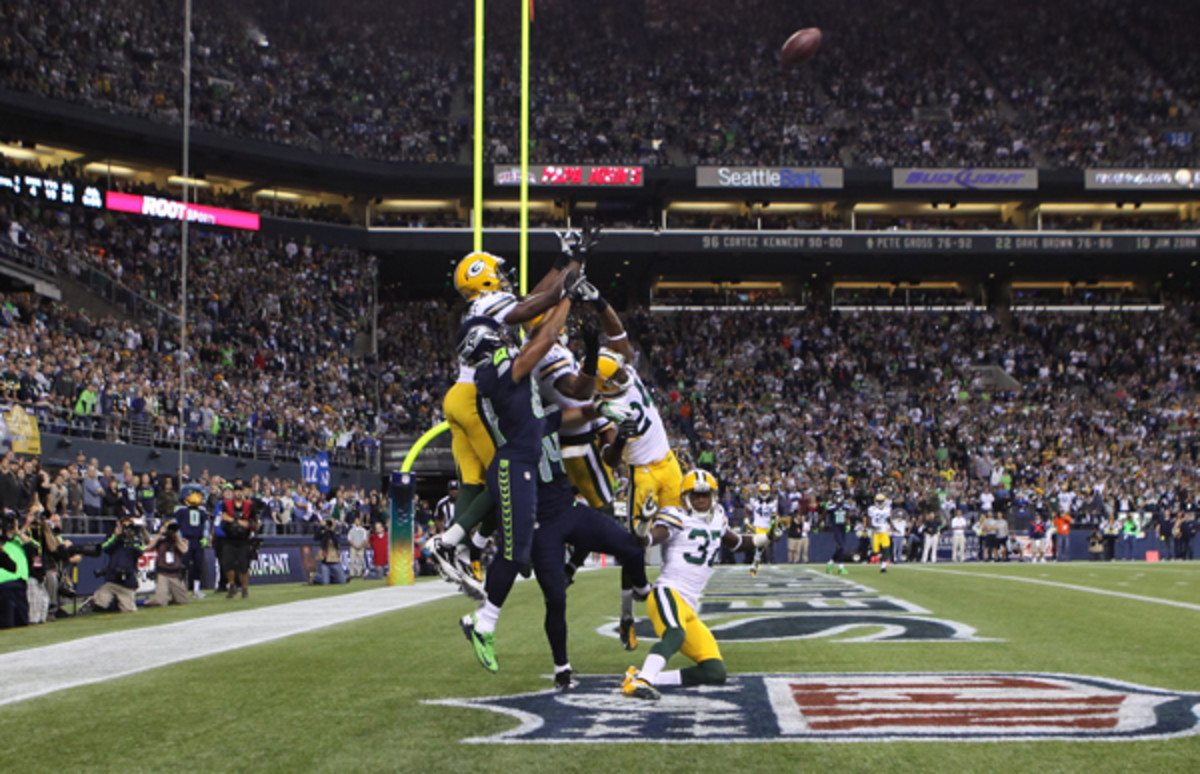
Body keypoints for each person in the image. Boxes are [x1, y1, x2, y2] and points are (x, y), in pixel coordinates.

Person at [430, 229, 592, 597]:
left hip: (459, 395)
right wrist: (571, 280)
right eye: (497, 273)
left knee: (474, 483)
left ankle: (461, 550)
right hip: (478, 399)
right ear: (482, 278)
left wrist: (563, 262)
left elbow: (531, 299)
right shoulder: (489, 303)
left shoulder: (481, 306)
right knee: (510, 472)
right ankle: (463, 542)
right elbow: (532, 307)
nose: (504, 279)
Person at [453, 288, 593, 674]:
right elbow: (544, 338)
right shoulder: (497, 369)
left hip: (522, 462)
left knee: (520, 551)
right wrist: (568, 297)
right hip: (514, 466)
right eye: (495, 333)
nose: (504, 335)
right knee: (515, 553)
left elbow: (545, 421)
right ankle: (483, 622)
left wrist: (594, 410)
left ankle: (482, 620)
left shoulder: (503, 375)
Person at [621, 469, 780, 700]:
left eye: (705, 495)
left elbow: (737, 543)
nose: (701, 500)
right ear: (686, 496)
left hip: (688, 605)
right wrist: (644, 522)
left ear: (713, 496)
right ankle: (641, 682)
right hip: (668, 593)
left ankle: (642, 676)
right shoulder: (675, 516)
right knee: (674, 635)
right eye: (695, 495)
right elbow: (646, 540)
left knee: (714, 671)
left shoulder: (718, 518)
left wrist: (768, 537)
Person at [92, 514, 145, 613]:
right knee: (100, 604)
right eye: (123, 526)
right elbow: (105, 548)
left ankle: (117, 604)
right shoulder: (115, 541)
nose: (125, 529)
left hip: (128, 582)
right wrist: (117, 536)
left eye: (127, 526)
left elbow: (140, 551)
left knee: (129, 610)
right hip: (112, 581)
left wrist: (132, 536)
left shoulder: (136, 541)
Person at [217, 486, 258, 598]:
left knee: (244, 566)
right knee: (226, 564)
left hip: (243, 539)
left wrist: (244, 523)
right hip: (229, 539)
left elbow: (253, 522)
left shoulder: (249, 506)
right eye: (236, 491)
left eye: (240, 491)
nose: (238, 493)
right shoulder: (226, 504)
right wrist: (239, 522)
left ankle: (244, 588)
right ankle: (232, 585)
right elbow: (224, 517)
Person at [0, 509, 38, 628]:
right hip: (3, 582)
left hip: (20, 581)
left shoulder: (19, 540)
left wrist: (17, 531)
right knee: (7, 621)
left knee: (22, 620)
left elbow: (35, 549)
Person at [174, 486, 211, 597]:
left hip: (197, 540)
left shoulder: (202, 511)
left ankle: (196, 589)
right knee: (184, 565)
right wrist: (179, 538)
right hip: (186, 540)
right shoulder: (180, 510)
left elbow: (206, 525)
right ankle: (181, 589)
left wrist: (205, 537)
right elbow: (176, 525)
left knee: (198, 565)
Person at [144, 520, 190, 607]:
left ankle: (172, 598)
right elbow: (149, 546)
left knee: (183, 601)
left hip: (176, 574)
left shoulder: (180, 540)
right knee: (161, 602)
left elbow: (184, 550)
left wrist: (175, 537)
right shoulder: (161, 540)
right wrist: (159, 534)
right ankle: (149, 601)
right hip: (162, 574)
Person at [746, 482, 779, 576]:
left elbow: (774, 515)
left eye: (765, 492)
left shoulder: (773, 502)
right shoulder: (754, 501)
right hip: (757, 526)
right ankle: (756, 562)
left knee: (764, 546)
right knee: (759, 545)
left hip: (767, 526)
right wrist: (748, 523)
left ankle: (760, 561)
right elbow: (747, 511)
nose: (764, 494)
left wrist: (774, 523)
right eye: (762, 492)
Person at [823, 489, 853, 575]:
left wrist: (848, 523)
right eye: (837, 496)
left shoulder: (846, 504)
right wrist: (819, 524)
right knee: (841, 547)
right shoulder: (830, 505)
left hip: (842, 527)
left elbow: (848, 514)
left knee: (840, 548)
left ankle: (830, 563)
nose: (839, 498)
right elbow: (824, 515)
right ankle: (841, 567)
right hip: (835, 527)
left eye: (840, 496)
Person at [314, 518, 347, 585]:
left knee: (342, 581)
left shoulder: (336, 532)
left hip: (335, 561)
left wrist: (331, 530)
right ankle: (316, 577)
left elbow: (336, 541)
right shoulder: (324, 532)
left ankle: (331, 577)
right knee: (325, 583)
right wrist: (321, 526)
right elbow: (316, 537)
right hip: (325, 561)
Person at [867, 493, 895, 572]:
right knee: (875, 551)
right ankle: (871, 560)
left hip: (884, 531)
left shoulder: (887, 509)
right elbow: (869, 520)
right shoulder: (872, 509)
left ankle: (883, 566)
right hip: (876, 532)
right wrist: (872, 527)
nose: (880, 503)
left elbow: (888, 519)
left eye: (881, 501)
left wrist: (892, 527)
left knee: (886, 548)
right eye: (878, 501)